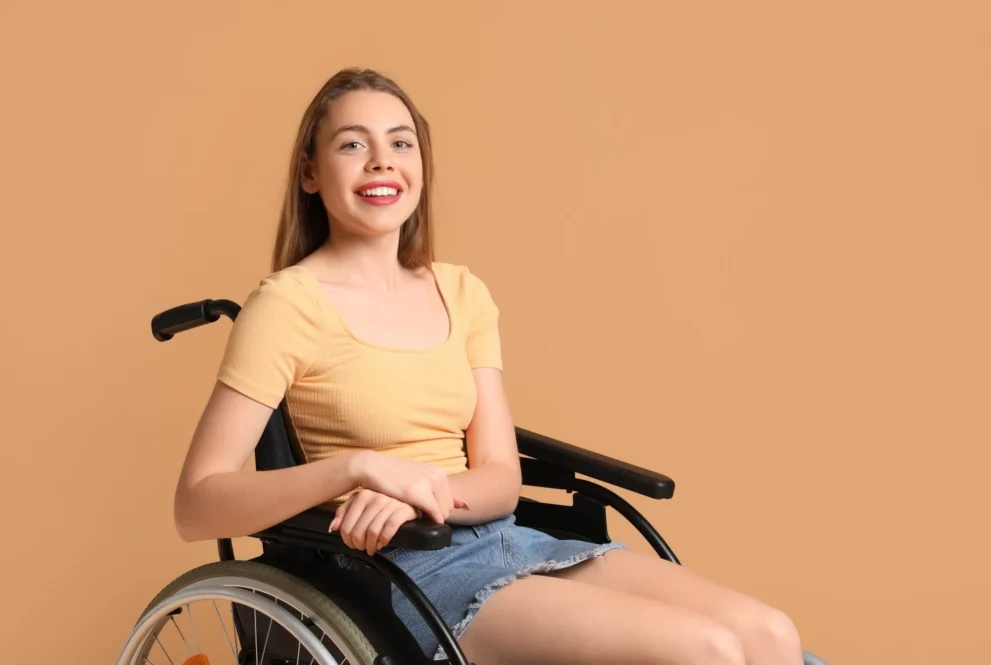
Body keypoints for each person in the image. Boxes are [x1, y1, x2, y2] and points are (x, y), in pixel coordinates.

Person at [173, 67, 805, 665]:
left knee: (770, 634)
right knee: (706, 651)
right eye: (352, 145)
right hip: (406, 571)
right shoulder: (285, 306)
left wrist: (427, 493)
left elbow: (501, 477)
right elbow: (196, 506)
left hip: (511, 540)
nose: (382, 161)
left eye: (401, 142)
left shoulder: (462, 291)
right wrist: (361, 470)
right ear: (310, 173)